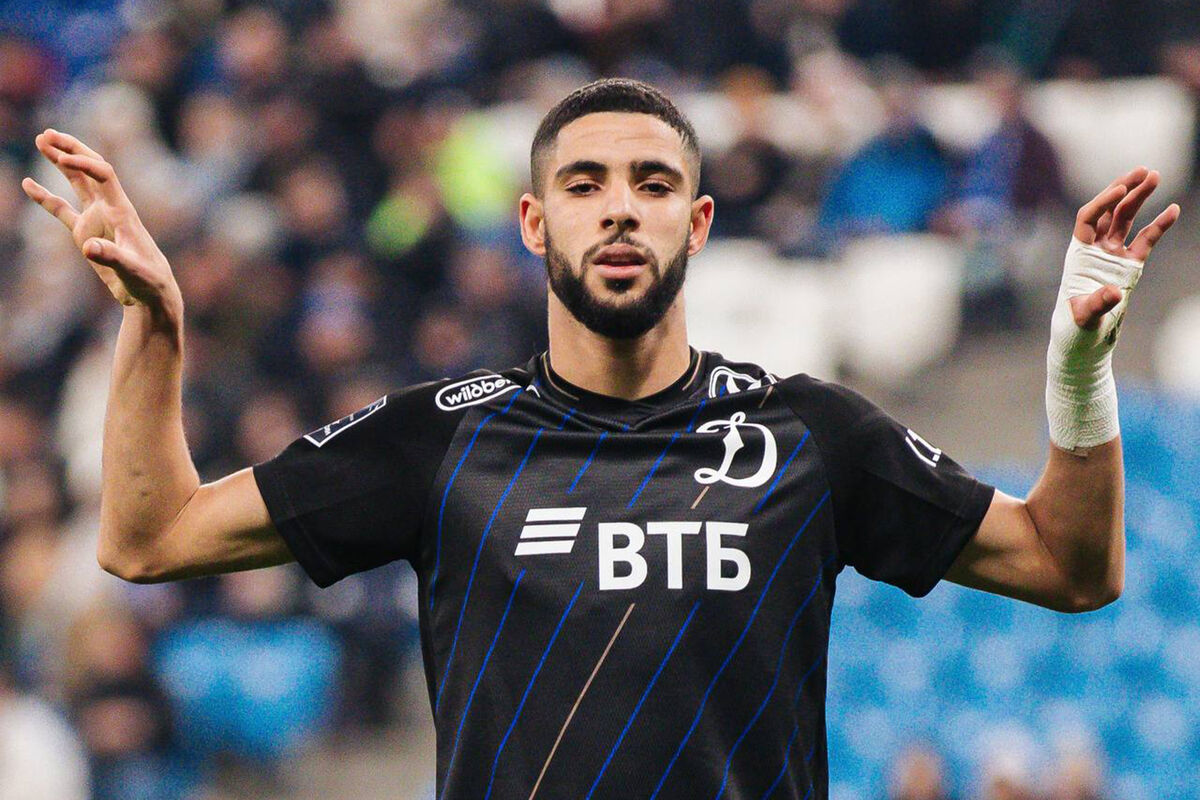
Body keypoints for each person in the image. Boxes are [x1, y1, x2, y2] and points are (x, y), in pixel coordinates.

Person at [20, 78, 1178, 800]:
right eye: (585, 183)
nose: (620, 204)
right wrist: (156, 327)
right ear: (534, 221)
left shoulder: (809, 433)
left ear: (698, 221)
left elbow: (1070, 565)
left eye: (652, 182)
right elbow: (151, 536)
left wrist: (1079, 371)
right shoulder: (439, 438)